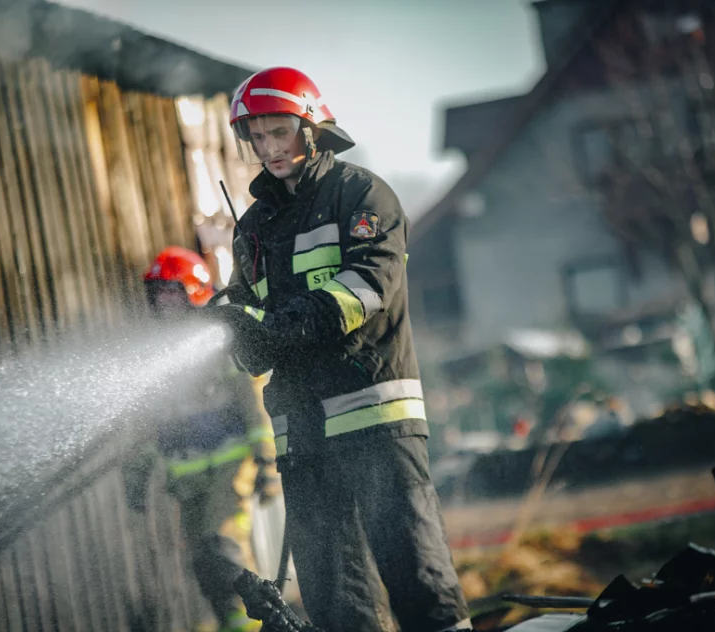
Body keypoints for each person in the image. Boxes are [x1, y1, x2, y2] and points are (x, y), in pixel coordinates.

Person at [209, 67, 472, 631]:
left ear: (311, 126)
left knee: (415, 573)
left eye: (278, 131)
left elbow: (364, 292)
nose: (267, 147)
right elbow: (256, 350)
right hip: (303, 435)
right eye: (255, 136)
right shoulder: (251, 228)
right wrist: (233, 328)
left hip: (374, 418)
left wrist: (270, 326)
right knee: (335, 598)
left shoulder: (360, 194)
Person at [122, 246, 280, 632]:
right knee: (207, 569)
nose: (164, 301)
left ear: (193, 291)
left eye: (172, 291)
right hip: (187, 483)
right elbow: (146, 427)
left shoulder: (220, 340)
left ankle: (270, 625)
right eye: (157, 293)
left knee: (226, 552)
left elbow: (253, 402)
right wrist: (136, 475)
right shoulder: (156, 356)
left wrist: (267, 461)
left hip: (229, 469)